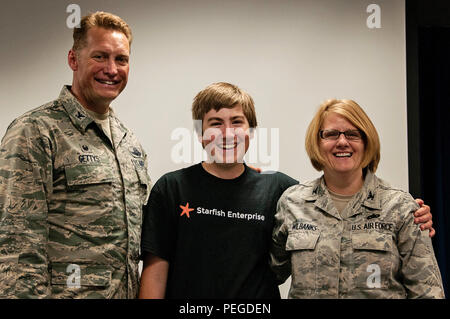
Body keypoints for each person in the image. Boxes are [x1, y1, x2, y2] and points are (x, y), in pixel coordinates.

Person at [139, 83, 433, 299]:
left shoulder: (281, 190)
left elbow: (426, 288)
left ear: (251, 132)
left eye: (237, 122)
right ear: (200, 133)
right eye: (215, 124)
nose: (227, 133)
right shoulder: (173, 187)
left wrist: (417, 217)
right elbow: (155, 268)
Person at [0, 11, 150, 299]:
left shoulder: (130, 144)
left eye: (121, 59)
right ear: (73, 59)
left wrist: (233, 179)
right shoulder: (36, 132)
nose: (112, 69)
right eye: (100, 57)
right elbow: (16, 247)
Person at [270, 99, 445, 298]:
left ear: (366, 141)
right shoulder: (292, 203)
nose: (342, 142)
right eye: (331, 134)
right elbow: (266, 275)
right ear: (317, 142)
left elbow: (427, 291)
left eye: (353, 134)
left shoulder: (400, 206)